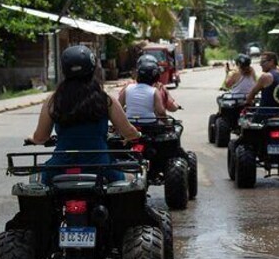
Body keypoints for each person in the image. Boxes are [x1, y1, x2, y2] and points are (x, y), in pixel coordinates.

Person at [28, 45, 140, 182]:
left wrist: (32, 139)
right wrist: (136, 134)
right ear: (92, 68)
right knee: (133, 178)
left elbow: (41, 137)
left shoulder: (53, 100)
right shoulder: (105, 99)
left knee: (37, 182)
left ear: (64, 70)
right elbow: (127, 131)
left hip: (61, 165)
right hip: (101, 166)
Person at [118, 54, 177, 121]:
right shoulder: (157, 89)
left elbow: (118, 106)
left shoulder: (128, 87)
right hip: (150, 123)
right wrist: (165, 120)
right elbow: (162, 110)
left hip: (130, 123)